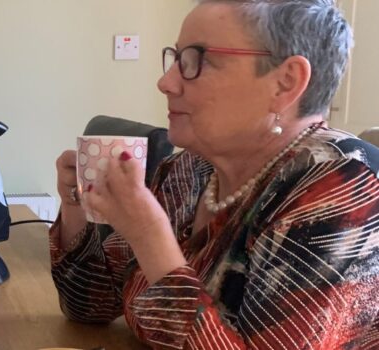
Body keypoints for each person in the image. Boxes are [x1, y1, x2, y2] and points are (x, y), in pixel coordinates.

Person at [51, 0, 378, 348]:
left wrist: (149, 235)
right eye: (175, 59)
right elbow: (87, 305)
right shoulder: (188, 172)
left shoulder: (341, 192)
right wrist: (76, 203)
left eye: (195, 61)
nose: (166, 82)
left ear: (285, 82)